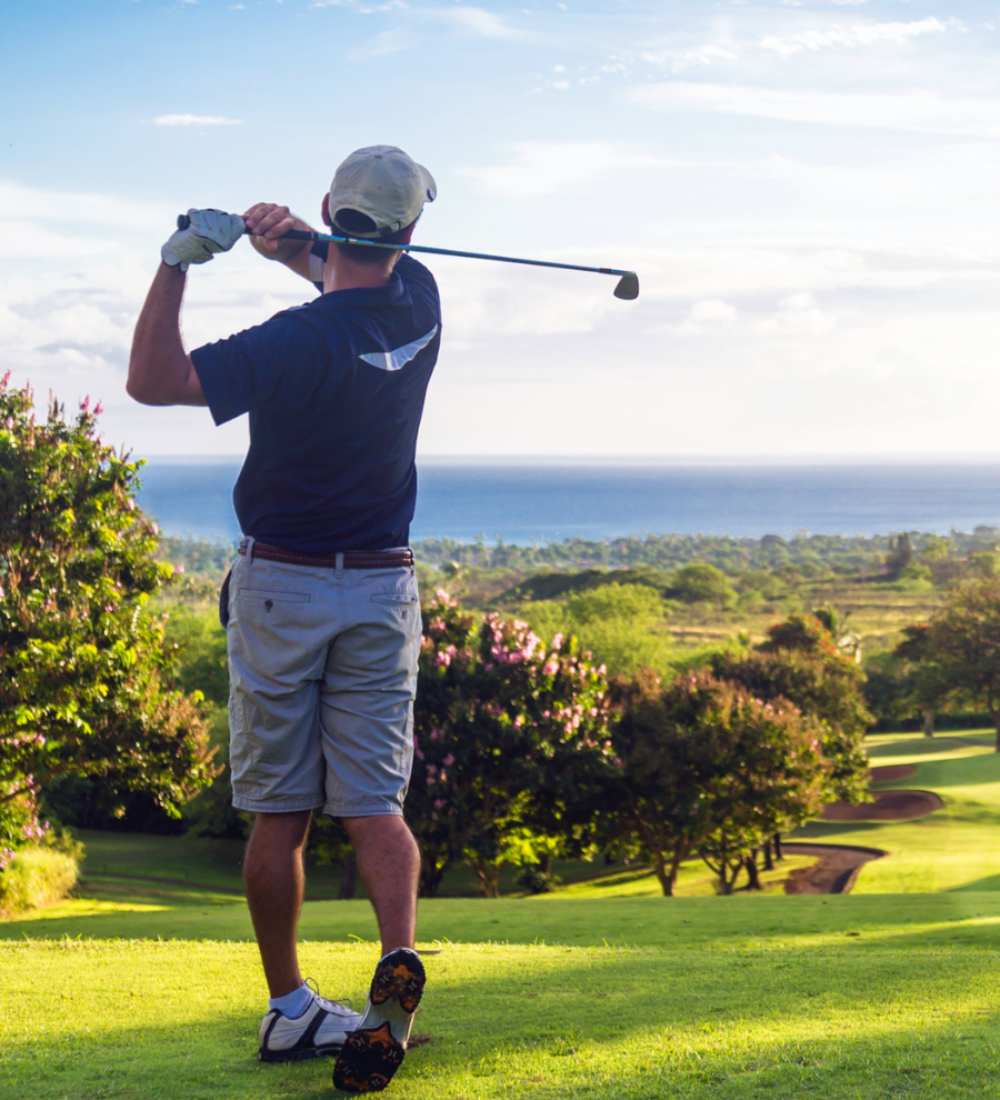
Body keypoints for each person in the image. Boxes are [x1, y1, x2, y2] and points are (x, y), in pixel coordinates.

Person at [126, 145, 440, 1094]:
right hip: (383, 587)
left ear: (329, 209)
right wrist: (287, 246)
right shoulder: (422, 300)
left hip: (283, 587)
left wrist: (179, 258)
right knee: (374, 807)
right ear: (412, 231)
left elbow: (153, 380)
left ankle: (292, 1011)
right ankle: (395, 975)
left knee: (281, 811)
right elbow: (343, 268)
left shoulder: (290, 343)